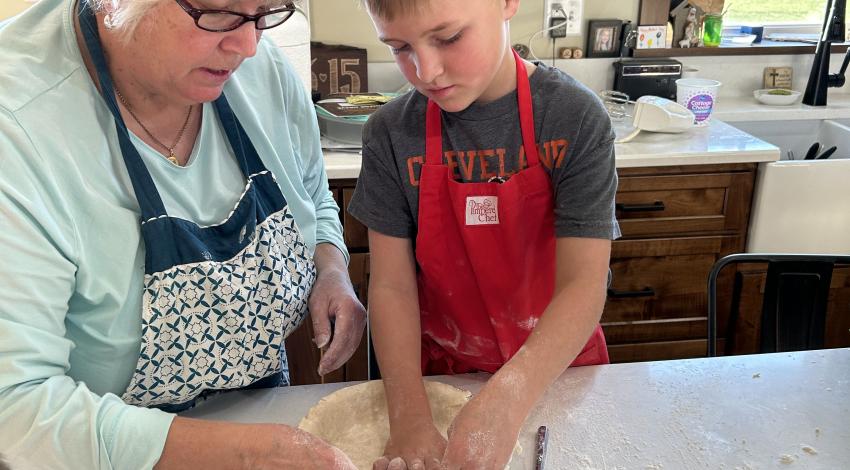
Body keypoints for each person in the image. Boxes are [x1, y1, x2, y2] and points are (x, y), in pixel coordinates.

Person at [0, 0, 365, 468]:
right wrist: (249, 455)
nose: (249, 46)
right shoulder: (21, 126)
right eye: (220, 12)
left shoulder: (259, 68)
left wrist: (331, 266)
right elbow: (17, 411)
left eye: (266, 11)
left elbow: (313, 193)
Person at [348, 0, 620, 468]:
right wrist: (409, 415)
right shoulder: (392, 133)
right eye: (399, 47)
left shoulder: (573, 118)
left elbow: (583, 283)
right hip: (444, 375)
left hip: (556, 370)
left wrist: (510, 396)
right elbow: (392, 285)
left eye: (448, 38)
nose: (426, 70)